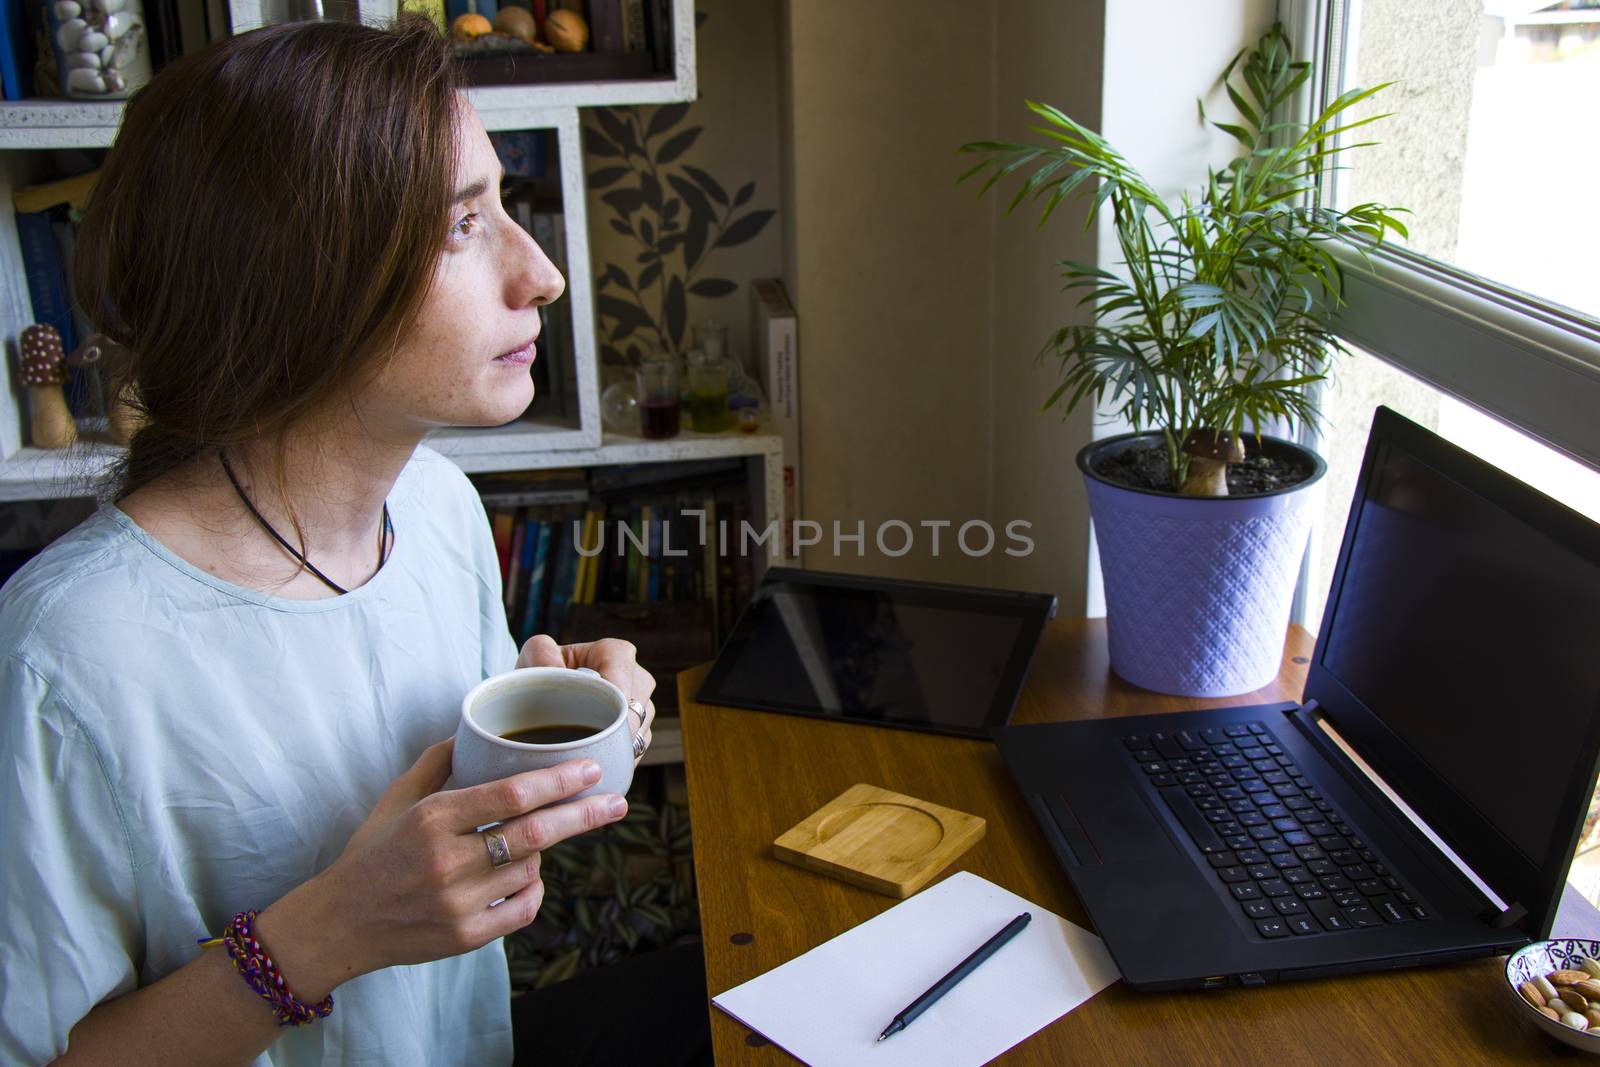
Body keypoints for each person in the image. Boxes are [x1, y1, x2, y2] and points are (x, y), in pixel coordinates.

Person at [0, 15, 710, 1066]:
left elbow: (429, 802)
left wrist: (556, 723)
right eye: (461, 226)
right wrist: (330, 929)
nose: (544, 275)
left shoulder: (438, 507)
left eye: (503, 204)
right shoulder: (60, 657)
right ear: (292, 282)